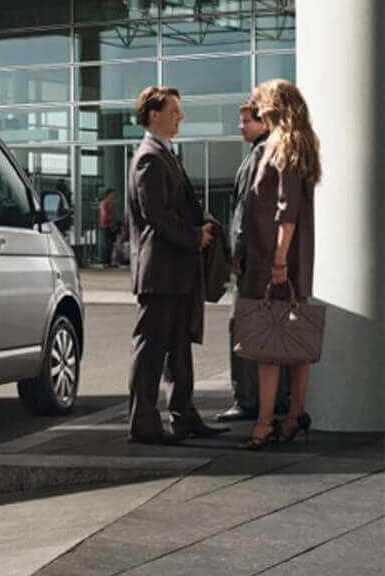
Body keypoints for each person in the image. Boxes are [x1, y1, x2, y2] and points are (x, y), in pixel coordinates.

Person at [125, 86, 227, 444]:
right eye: (175, 110)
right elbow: (158, 217)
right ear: (154, 114)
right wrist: (194, 237)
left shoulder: (163, 153)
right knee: (152, 350)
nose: (181, 116)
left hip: (176, 271)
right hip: (160, 273)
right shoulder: (148, 158)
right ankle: (144, 424)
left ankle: (184, 416)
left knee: (179, 349)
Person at [237, 80, 321, 450]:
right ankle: (293, 416)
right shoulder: (298, 144)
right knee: (294, 340)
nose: (257, 112)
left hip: (276, 260)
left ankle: (265, 423)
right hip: (291, 259)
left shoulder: (282, 146)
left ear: (273, 107)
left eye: (261, 106)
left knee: (269, 346)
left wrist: (279, 260)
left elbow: (287, 211)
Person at [216, 101, 288, 422]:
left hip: (253, 260)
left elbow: (246, 210)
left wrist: (237, 253)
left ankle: (246, 401)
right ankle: (278, 399)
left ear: (264, 123)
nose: (240, 126)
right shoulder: (275, 153)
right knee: (272, 327)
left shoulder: (259, 156)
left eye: (246, 121)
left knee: (241, 326)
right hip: (269, 258)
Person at [98, 187, 118, 268]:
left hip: (110, 225)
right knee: (105, 244)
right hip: (104, 225)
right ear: (109, 194)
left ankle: (109, 261)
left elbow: (113, 214)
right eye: (113, 193)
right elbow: (104, 213)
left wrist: (113, 222)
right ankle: (105, 261)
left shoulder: (112, 204)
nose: (114, 195)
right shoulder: (104, 203)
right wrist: (110, 220)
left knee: (110, 244)